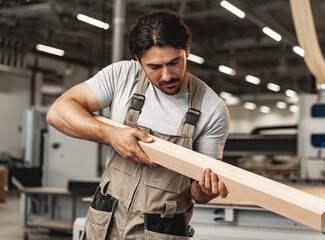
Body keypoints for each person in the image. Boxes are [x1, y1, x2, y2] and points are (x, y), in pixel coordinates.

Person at [47, 9, 230, 240]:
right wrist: (112, 135)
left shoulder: (212, 109)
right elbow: (58, 112)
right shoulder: (123, 76)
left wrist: (205, 191)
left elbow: (199, 193)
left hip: (161, 231)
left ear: (187, 51)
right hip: (104, 223)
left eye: (174, 62)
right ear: (138, 61)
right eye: (154, 67)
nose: (166, 75)